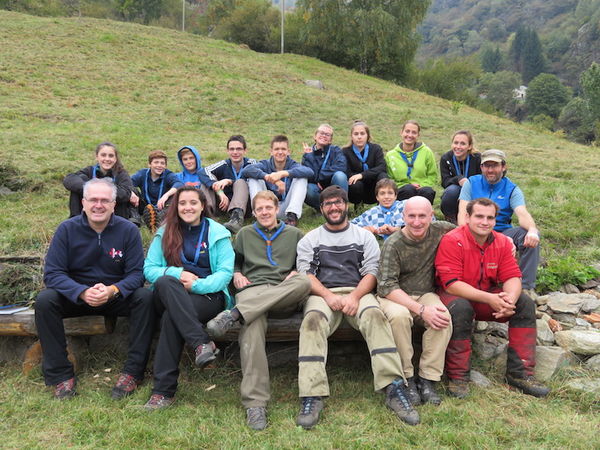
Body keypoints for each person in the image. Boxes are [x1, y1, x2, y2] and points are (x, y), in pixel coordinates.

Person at [295, 185, 419, 429]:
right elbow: (306, 275)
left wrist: (355, 296)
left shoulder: (363, 236)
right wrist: (329, 296)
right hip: (322, 294)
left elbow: (372, 272)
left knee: (375, 315)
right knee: (311, 322)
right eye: (328, 204)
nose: (334, 207)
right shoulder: (311, 239)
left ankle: (393, 387)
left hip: (358, 292)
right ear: (321, 209)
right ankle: (312, 394)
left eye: (338, 202)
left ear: (346, 205)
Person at [35, 178, 155, 400]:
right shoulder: (66, 229)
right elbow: (52, 274)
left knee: (145, 298)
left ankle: (133, 372)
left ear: (113, 204)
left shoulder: (128, 230)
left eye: (104, 200)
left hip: (114, 295)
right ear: (83, 202)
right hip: (76, 297)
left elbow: (137, 275)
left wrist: (113, 290)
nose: (98, 205)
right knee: (45, 300)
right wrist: (81, 291)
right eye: (93, 200)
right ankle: (61, 375)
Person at [206, 190, 311, 431]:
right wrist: (237, 273)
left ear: (277, 210)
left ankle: (233, 315)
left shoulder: (294, 234)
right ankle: (255, 403)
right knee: (252, 326)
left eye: (268, 208)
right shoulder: (244, 234)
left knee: (304, 282)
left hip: (283, 293)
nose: (264, 212)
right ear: (254, 212)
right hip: (253, 291)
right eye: (259, 209)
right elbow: (233, 262)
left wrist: (296, 270)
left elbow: (306, 264)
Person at [435, 198, 549, 399]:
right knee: (461, 309)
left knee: (524, 304)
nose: (484, 222)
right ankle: (458, 377)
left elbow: (513, 276)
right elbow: (451, 284)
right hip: (453, 296)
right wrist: (490, 299)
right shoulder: (452, 240)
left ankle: (520, 374)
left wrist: (510, 301)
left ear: (496, 220)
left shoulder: (502, 242)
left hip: (485, 296)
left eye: (490, 217)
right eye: (479, 216)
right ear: (468, 217)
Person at [142, 186, 234, 410]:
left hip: (207, 296)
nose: (188, 207)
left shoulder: (217, 232)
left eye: (193, 202)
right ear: (176, 206)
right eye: (182, 203)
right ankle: (201, 342)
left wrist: (196, 285)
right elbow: (149, 269)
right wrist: (178, 274)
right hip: (170, 293)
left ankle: (163, 392)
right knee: (165, 281)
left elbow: (225, 273)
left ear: (203, 205)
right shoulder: (165, 232)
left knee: (171, 319)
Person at [377, 196, 454, 406]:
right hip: (395, 296)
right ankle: (406, 378)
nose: (417, 222)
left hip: (425, 292)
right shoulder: (393, 244)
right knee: (400, 317)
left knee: (442, 317)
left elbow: (468, 232)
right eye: (411, 216)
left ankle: (428, 379)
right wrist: (420, 309)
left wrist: (504, 240)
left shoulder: (440, 229)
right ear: (403, 217)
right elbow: (385, 286)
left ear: (431, 216)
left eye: (422, 216)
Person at [457, 149, 540, 292]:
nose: (490, 170)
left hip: (502, 231)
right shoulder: (471, 183)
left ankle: (526, 288)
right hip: (474, 231)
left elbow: (522, 213)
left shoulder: (512, 189)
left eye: (494, 165)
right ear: (481, 167)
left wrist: (532, 230)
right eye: (486, 166)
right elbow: (462, 214)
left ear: (503, 167)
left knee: (528, 234)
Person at [242, 135, 313, 227]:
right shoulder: (265, 164)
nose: (280, 152)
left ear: (288, 152)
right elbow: (246, 170)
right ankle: (258, 216)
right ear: (271, 152)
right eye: (276, 149)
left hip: (286, 208)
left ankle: (292, 217)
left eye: (283, 149)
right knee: (253, 179)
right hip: (267, 208)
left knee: (302, 178)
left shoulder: (292, 164)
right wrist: (269, 177)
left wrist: (283, 173)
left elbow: (310, 172)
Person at [63, 142, 134, 219]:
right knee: (79, 183)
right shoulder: (89, 170)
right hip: (90, 210)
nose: (107, 159)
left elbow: (126, 194)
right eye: (103, 155)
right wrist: (91, 188)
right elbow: (69, 179)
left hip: (114, 215)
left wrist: (100, 190)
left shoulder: (121, 174)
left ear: (115, 159)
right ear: (97, 157)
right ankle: (76, 220)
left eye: (111, 156)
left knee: (119, 195)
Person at [204, 135, 256, 234]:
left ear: (245, 151)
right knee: (206, 182)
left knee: (240, 182)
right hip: (223, 204)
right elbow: (204, 171)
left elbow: (255, 177)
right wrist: (220, 192)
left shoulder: (252, 163)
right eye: (232, 149)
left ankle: (236, 220)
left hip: (245, 206)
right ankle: (207, 215)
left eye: (239, 149)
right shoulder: (224, 164)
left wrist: (229, 181)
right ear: (227, 151)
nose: (235, 152)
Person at [385, 120, 438, 204]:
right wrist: (408, 185)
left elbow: (432, 175)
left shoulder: (427, 152)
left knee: (428, 191)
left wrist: (421, 185)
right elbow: (390, 179)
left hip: (422, 188)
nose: (410, 135)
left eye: (414, 132)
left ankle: (424, 215)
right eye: (407, 131)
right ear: (401, 132)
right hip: (402, 189)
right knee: (408, 189)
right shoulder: (390, 155)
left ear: (418, 135)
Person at [130, 150, 183, 233]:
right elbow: (127, 182)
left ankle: (158, 220)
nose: (159, 165)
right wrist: (131, 193)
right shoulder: (142, 173)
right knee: (130, 190)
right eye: (156, 162)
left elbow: (179, 184)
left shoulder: (168, 174)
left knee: (175, 195)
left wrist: (166, 195)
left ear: (165, 166)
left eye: (162, 163)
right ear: (149, 164)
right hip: (144, 206)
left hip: (161, 206)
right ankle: (136, 218)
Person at [301, 124, 348, 210]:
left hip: (332, 185)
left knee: (340, 175)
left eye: (327, 134)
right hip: (317, 189)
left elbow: (341, 166)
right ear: (315, 136)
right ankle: (323, 209)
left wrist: (321, 177)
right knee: (307, 188)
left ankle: (342, 208)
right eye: (321, 133)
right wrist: (310, 156)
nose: (324, 136)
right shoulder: (308, 154)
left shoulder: (336, 150)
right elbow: (309, 175)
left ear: (330, 140)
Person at [439, 130, 481, 223]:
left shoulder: (477, 158)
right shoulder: (446, 158)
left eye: (462, 144)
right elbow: (445, 182)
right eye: (456, 143)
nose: (458, 147)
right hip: (455, 191)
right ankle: (451, 218)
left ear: (469, 146)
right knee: (451, 191)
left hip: (473, 191)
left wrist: (469, 183)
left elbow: (482, 179)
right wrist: (458, 179)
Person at [341, 121, 387, 205]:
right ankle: (358, 206)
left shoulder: (376, 149)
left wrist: (362, 175)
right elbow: (346, 172)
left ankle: (382, 207)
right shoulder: (345, 151)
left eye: (362, 134)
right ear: (351, 136)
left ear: (367, 136)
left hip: (373, 188)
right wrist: (358, 178)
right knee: (355, 184)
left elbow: (382, 167)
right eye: (356, 134)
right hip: (356, 189)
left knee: (383, 176)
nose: (359, 137)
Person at [175, 145, 216, 215]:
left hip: (204, 206)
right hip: (186, 207)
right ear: (182, 162)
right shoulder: (178, 176)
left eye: (191, 158)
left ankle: (207, 213)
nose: (188, 161)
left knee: (205, 183)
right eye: (185, 159)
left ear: (197, 159)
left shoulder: (205, 173)